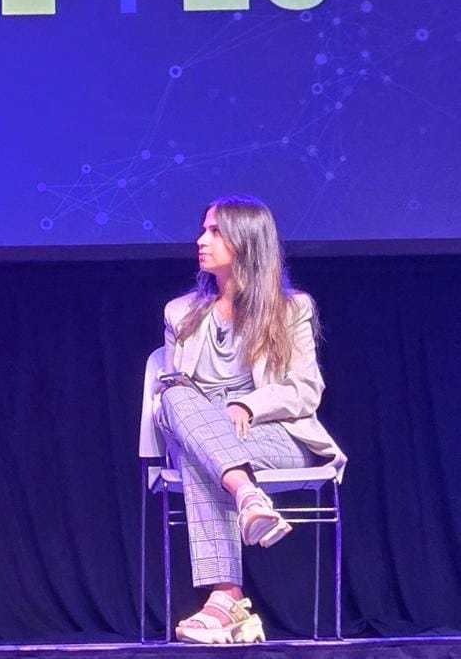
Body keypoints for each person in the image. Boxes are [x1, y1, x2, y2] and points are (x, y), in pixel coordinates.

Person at [153, 195, 346, 645]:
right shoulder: (179, 313)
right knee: (175, 394)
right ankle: (248, 499)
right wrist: (215, 417)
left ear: (247, 241)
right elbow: (176, 397)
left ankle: (227, 601)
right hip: (204, 433)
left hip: (275, 435)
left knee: (202, 459)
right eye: (203, 230)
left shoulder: (292, 309)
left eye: (215, 231)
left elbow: (305, 390)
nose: (201, 240)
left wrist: (249, 406)